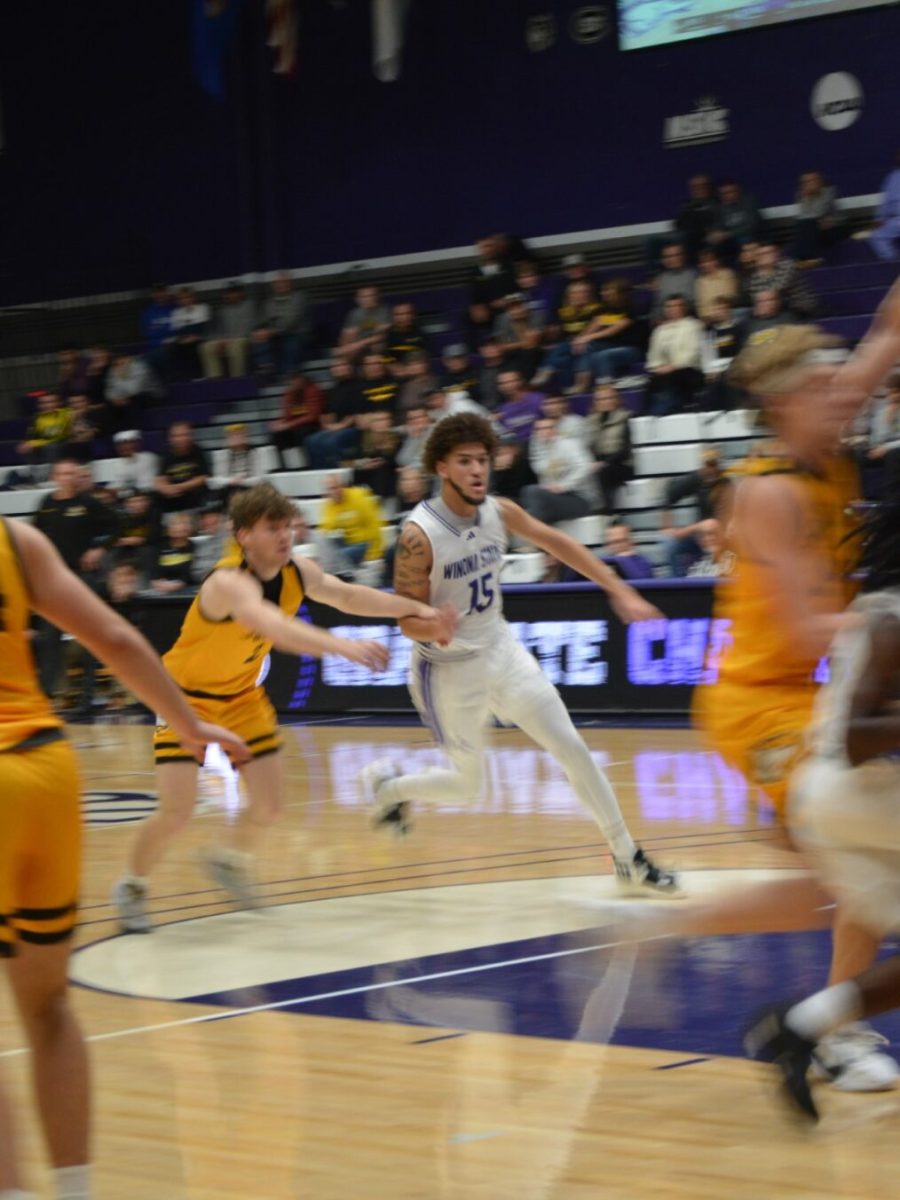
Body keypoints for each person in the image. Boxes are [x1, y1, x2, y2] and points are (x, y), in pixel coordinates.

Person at [682, 289, 900, 1091]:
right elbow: (812, 630)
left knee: (859, 869)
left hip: (818, 693)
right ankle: (832, 1032)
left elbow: (885, 329)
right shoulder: (763, 494)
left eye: (842, 383)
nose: (845, 396)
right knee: (855, 866)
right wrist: (888, 626)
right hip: (755, 703)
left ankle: (827, 1024)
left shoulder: (829, 438)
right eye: (825, 388)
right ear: (782, 405)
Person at [0, 515, 248, 1200]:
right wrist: (189, 723)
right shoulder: (16, 541)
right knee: (48, 1010)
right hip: (46, 768)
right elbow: (112, 636)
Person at [113, 483, 456, 934]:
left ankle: (228, 861)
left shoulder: (298, 571)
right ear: (242, 536)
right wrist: (342, 646)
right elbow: (272, 624)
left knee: (270, 807)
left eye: (287, 527)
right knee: (176, 813)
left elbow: (349, 596)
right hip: (184, 699)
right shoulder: (227, 583)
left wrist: (419, 611)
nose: (285, 536)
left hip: (241, 697)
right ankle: (133, 886)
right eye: (271, 528)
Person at [358, 413, 679, 895]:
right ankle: (391, 788)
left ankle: (626, 855)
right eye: (464, 461)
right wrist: (432, 624)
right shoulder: (418, 534)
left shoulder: (499, 510)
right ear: (441, 467)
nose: (476, 470)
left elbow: (558, 543)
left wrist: (618, 588)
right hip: (446, 671)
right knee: (467, 789)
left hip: (501, 650)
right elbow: (405, 618)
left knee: (572, 747)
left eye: (483, 460)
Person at [744, 487, 900, 1119]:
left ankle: (800, 1027)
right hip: (849, 789)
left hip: (834, 801)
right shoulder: (892, 617)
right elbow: (858, 736)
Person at [659, 449, 733, 577]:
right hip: (700, 535)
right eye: (708, 465)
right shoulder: (696, 478)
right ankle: (678, 584)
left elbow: (717, 522)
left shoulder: (726, 484)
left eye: (714, 465)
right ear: (702, 466)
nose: (711, 469)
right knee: (669, 543)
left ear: (719, 466)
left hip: (721, 536)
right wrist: (666, 526)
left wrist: (695, 529)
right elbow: (669, 495)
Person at [521, 416, 596, 526]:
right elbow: (544, 475)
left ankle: (538, 538)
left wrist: (564, 486)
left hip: (580, 499)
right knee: (529, 502)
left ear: (555, 430)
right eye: (539, 429)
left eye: (548, 428)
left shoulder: (570, 445)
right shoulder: (539, 451)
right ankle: (540, 537)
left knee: (532, 491)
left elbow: (585, 467)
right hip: (556, 499)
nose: (544, 432)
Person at [644, 295, 704, 416]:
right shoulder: (659, 330)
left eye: (677, 305)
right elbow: (653, 356)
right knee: (651, 383)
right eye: (669, 306)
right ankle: (650, 413)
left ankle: (660, 412)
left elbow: (693, 353)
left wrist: (673, 366)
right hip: (665, 372)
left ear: (684, 308)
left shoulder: (693, 326)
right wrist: (658, 367)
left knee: (673, 379)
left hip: (689, 370)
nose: (673, 309)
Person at [584, 384, 633, 515]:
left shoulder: (625, 418)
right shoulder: (591, 421)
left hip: (621, 463)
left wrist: (606, 462)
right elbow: (588, 447)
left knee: (604, 472)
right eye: (600, 399)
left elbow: (624, 451)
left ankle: (607, 511)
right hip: (598, 462)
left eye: (608, 398)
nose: (604, 402)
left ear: (616, 399)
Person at [870, 149, 900, 263]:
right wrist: (880, 219)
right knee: (877, 236)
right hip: (898, 220)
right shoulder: (893, 177)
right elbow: (886, 202)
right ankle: (895, 264)